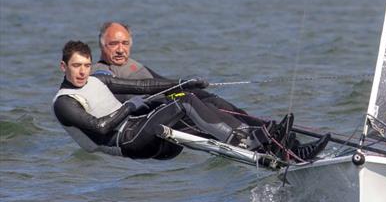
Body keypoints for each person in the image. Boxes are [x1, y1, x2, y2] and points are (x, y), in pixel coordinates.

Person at [54, 41, 329, 162]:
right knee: (183, 102)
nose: (82, 71)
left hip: (142, 129)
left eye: (87, 65)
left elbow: (144, 85)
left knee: (195, 96)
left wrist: (184, 82)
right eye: (76, 66)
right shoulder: (64, 102)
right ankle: (246, 141)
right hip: (127, 141)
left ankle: (285, 149)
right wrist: (129, 106)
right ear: (63, 66)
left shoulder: (97, 80)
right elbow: (101, 128)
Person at [93, 21, 242, 114]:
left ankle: (259, 127)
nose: (120, 49)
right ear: (101, 45)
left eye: (125, 43)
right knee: (190, 100)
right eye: (113, 44)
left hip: (167, 99)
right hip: (156, 110)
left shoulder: (133, 65)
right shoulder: (101, 70)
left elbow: (162, 81)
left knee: (207, 97)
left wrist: (187, 85)